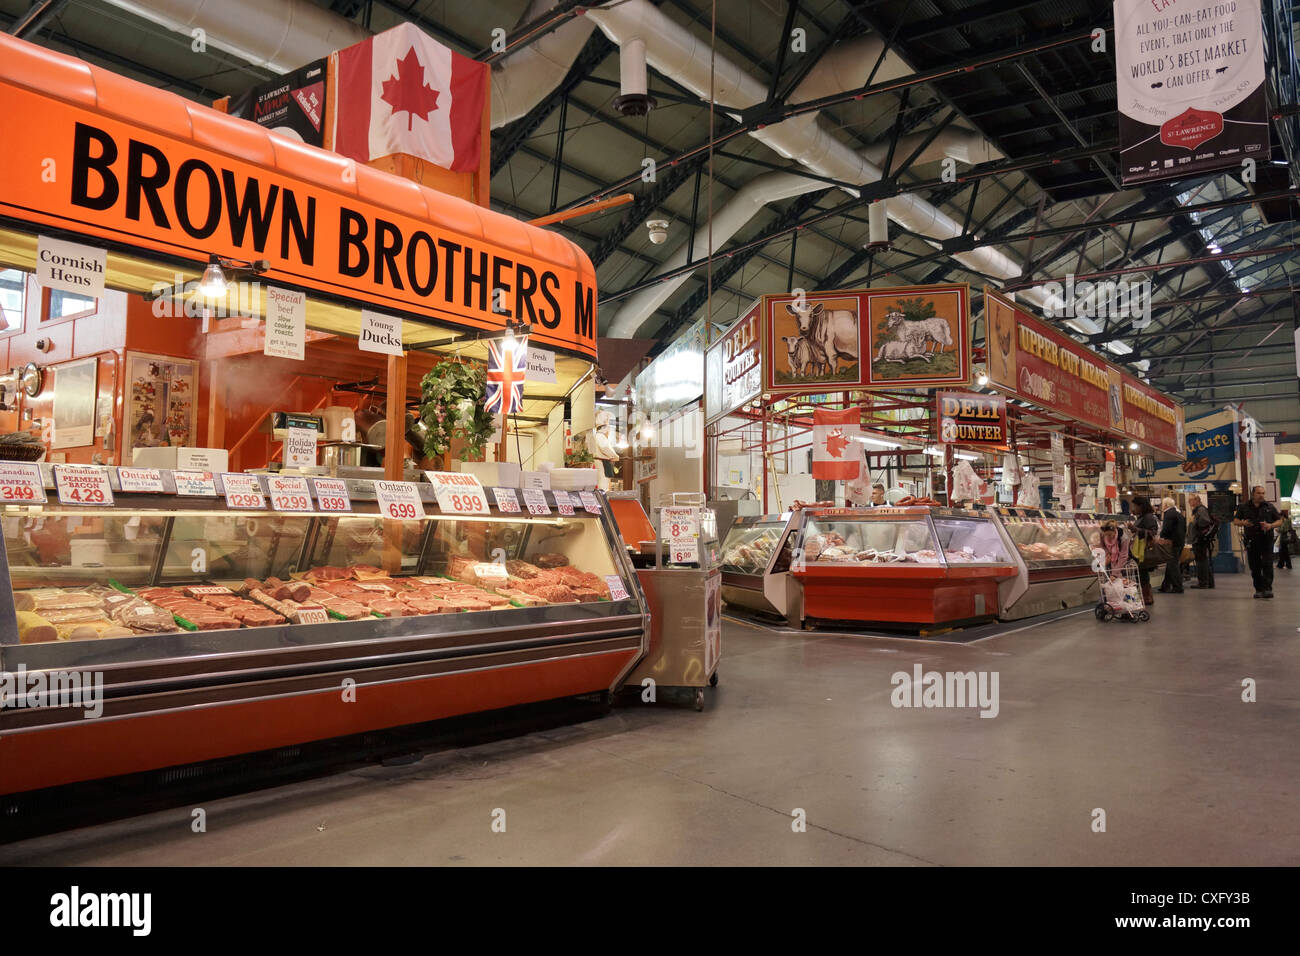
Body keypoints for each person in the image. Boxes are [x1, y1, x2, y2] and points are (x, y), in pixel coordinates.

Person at [1233, 485, 1283, 598]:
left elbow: (1280, 521)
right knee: (1255, 566)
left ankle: (1268, 589)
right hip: (1251, 540)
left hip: (1266, 539)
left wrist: (1270, 525)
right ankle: (1258, 589)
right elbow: (1235, 521)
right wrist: (1243, 523)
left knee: (1267, 564)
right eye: (1259, 493)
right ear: (1253, 494)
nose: (1261, 495)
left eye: (1263, 493)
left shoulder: (1269, 507)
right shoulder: (1244, 507)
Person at [1129, 494, 1159, 606]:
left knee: (1142, 573)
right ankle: (1144, 596)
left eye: (1135, 506)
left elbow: (1152, 533)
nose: (1133, 508)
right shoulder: (1142, 517)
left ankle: (1147, 597)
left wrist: (1135, 529)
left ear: (1141, 506)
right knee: (1140, 573)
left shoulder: (1148, 517)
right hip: (1138, 550)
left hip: (1143, 551)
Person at [1156, 496, 1187, 594]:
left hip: (1172, 542)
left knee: (1173, 564)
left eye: (1162, 504)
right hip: (1180, 541)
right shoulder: (1178, 513)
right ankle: (1165, 586)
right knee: (1171, 563)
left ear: (1165, 505)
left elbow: (1166, 528)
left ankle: (1178, 587)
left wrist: (1161, 536)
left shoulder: (1168, 514)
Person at [1187, 493, 1216, 589]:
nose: (1189, 502)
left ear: (1196, 500)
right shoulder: (1199, 510)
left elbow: (1205, 521)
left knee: (1201, 561)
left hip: (1199, 539)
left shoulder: (1200, 510)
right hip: (1199, 539)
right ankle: (1208, 582)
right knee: (1203, 560)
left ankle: (1203, 582)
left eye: (1190, 500)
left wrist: (1194, 522)